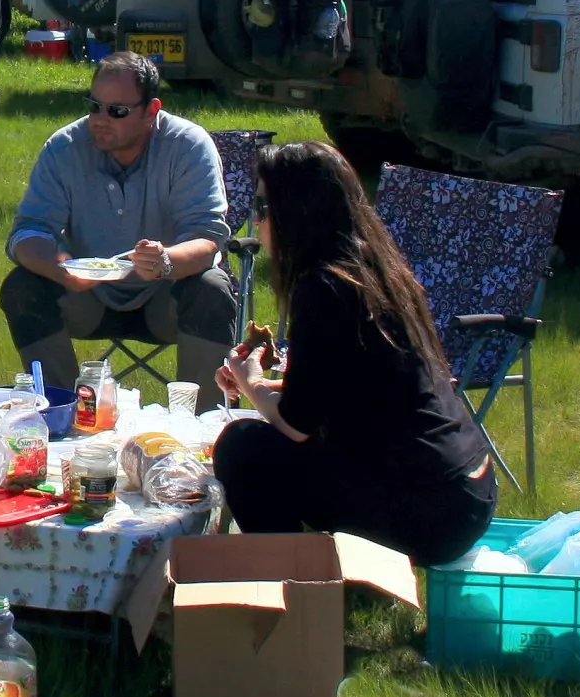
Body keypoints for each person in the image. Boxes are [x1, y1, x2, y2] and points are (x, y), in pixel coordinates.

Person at [210, 140, 496, 567]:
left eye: (264, 207)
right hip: (466, 490)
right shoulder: (371, 269)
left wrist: (249, 380)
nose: (256, 219)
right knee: (262, 443)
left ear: (297, 213)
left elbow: (296, 425)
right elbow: (348, 390)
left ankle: (294, 582)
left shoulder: (323, 288)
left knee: (244, 448)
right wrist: (265, 384)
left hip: (429, 510)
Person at [0, 51, 236, 403]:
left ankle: (205, 427)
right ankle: (60, 411)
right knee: (22, 287)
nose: (100, 119)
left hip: (166, 297)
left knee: (212, 289)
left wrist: (165, 261)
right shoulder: (64, 147)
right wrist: (60, 268)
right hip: (87, 297)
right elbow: (26, 234)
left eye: (117, 111)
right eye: (94, 106)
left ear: (151, 111)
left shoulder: (187, 145)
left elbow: (207, 238)